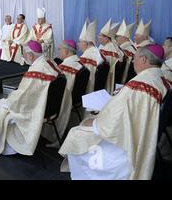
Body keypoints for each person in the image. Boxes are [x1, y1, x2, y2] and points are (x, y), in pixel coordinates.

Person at [59, 44, 170, 180]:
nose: (133, 62)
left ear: (144, 60)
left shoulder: (139, 85)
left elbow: (114, 121)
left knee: (76, 131)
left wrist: (95, 123)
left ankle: (85, 173)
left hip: (126, 141)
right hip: (143, 133)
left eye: (135, 59)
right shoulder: (163, 79)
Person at [0, 40, 62, 157]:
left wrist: (9, 101)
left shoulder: (35, 71)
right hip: (51, 106)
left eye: (24, 54)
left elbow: (23, 98)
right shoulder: (50, 62)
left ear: (30, 55)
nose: (24, 57)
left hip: (34, 109)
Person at [42, 40, 82, 147]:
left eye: (59, 49)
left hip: (59, 104)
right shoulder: (79, 63)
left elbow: (59, 89)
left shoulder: (66, 68)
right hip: (76, 100)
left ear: (66, 51)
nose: (58, 51)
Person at [78, 20, 103, 93]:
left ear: (86, 43)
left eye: (80, 41)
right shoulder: (97, 51)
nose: (78, 44)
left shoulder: (88, 56)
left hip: (88, 91)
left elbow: (82, 78)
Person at [99, 19, 123, 94]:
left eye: (100, 35)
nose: (98, 37)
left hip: (107, 80)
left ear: (106, 38)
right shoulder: (115, 47)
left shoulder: (106, 50)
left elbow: (100, 68)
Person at [116, 20, 137, 84]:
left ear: (124, 37)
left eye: (118, 36)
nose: (116, 38)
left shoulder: (123, 50)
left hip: (123, 81)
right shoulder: (133, 49)